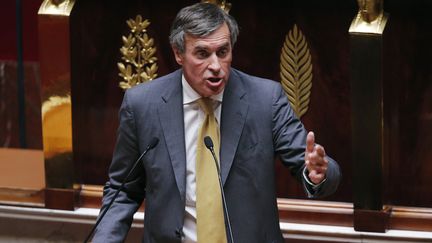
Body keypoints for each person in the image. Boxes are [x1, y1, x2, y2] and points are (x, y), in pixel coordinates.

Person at [93, 2, 341, 243]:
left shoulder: (265, 100)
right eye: (202, 53)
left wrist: (318, 173)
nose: (215, 66)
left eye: (223, 52)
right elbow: (122, 189)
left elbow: (314, 166)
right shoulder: (142, 105)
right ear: (178, 53)